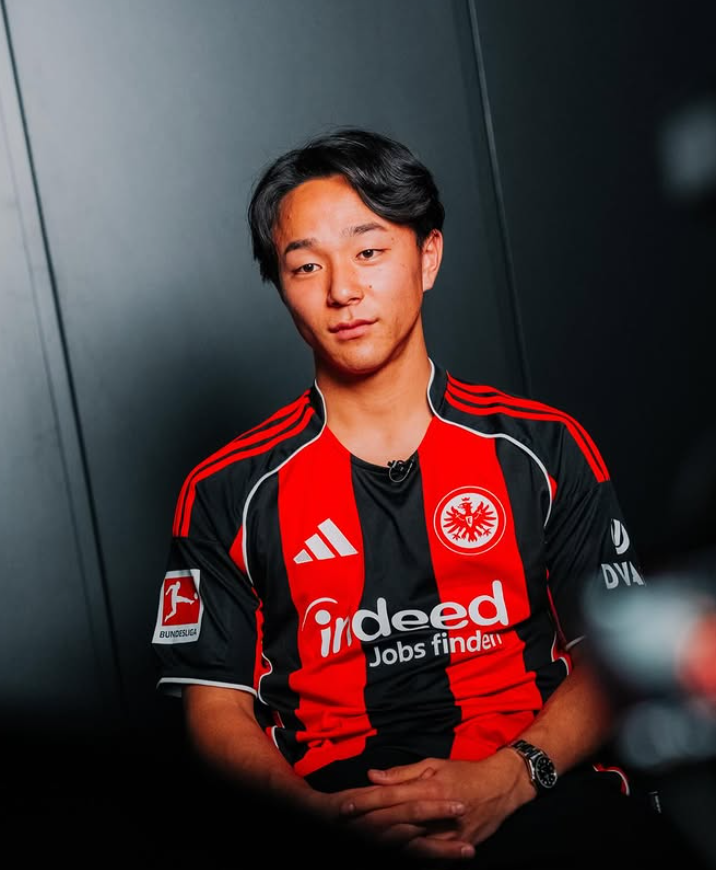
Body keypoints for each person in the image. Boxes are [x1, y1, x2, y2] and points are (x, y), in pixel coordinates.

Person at [151, 128, 691, 868]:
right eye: (306, 265)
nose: (343, 290)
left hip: (538, 786)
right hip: (338, 809)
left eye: (369, 252)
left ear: (428, 256)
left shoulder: (544, 448)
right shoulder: (226, 489)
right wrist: (318, 820)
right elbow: (215, 708)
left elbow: (614, 656)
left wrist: (512, 777)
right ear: (280, 285)